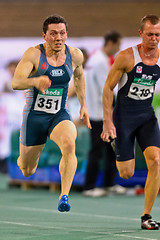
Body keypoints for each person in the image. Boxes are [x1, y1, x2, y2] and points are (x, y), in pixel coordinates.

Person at [12, 14, 91, 212]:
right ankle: (26, 158)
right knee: (27, 170)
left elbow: (79, 77)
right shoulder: (33, 54)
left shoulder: (75, 55)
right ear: (44, 36)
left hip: (59, 114)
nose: (58, 38)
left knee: (69, 144)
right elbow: (16, 82)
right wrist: (34, 81)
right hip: (35, 116)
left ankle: (64, 195)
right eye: (53, 33)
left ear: (67, 34)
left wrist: (83, 105)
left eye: (62, 33)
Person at [101, 15, 160, 229]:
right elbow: (108, 88)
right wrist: (108, 122)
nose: (154, 39)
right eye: (150, 34)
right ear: (141, 34)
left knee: (156, 160)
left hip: (146, 115)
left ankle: (146, 216)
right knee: (126, 173)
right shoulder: (126, 57)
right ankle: (116, 142)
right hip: (124, 117)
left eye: (158, 35)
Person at [83, 31, 127, 197]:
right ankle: (89, 187)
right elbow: (107, 89)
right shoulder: (100, 62)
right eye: (118, 45)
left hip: (98, 112)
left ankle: (109, 184)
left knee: (110, 150)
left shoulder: (96, 58)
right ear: (110, 42)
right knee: (96, 150)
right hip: (101, 114)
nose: (118, 49)